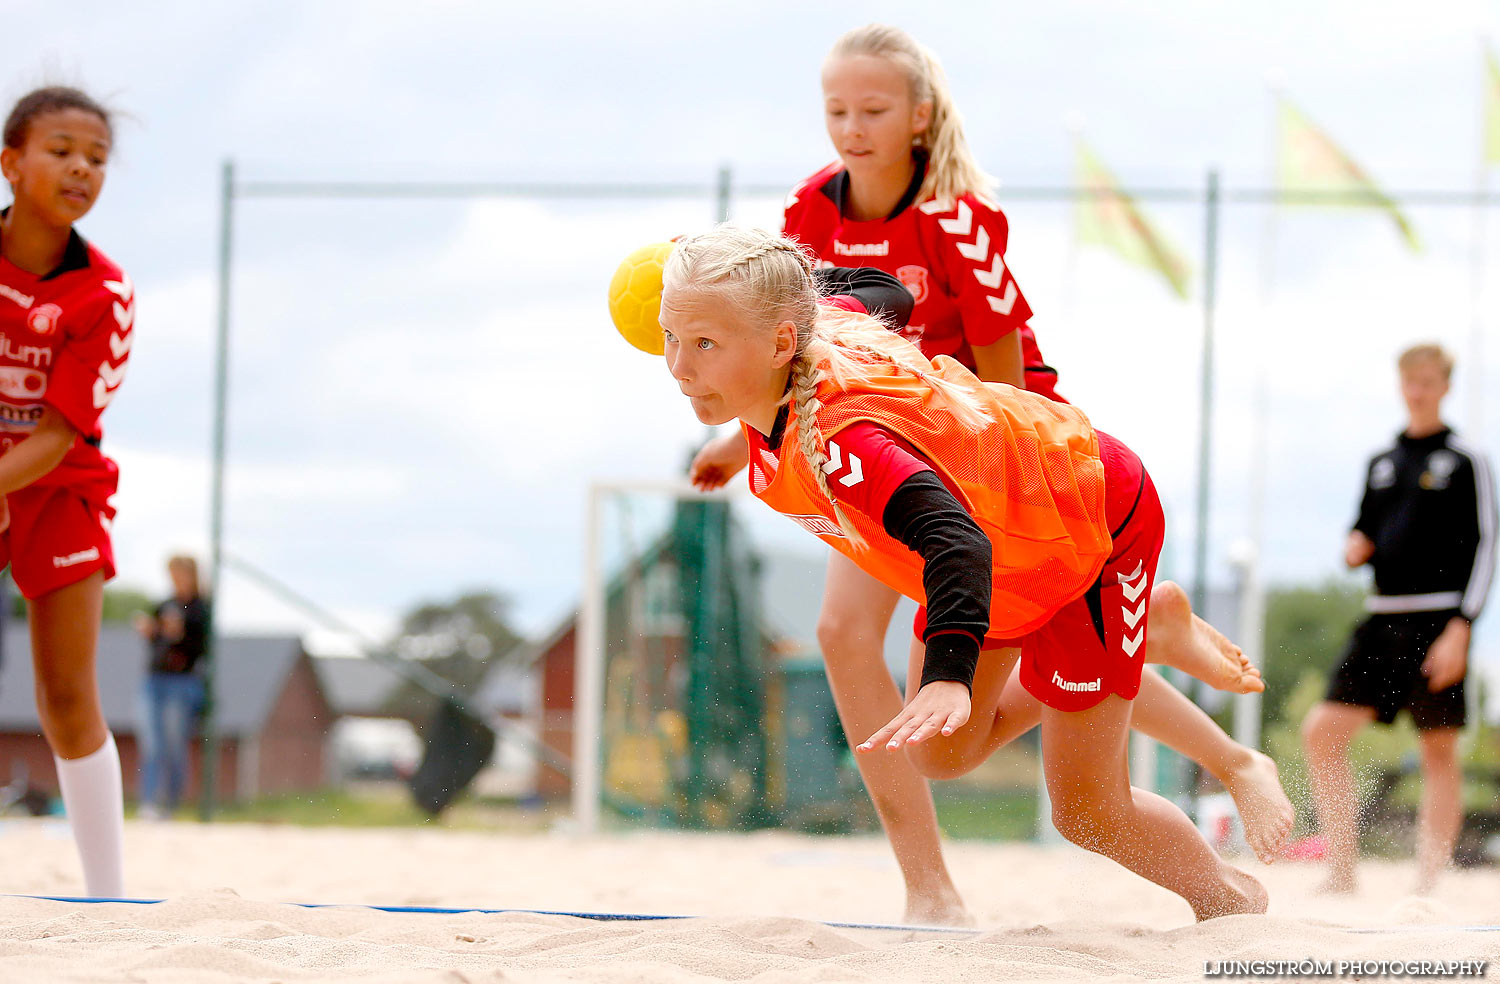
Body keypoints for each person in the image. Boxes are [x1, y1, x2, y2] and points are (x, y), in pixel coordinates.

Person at [687, 24, 1289, 923]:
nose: (851, 126)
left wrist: (986, 461)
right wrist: (751, 429)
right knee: (895, 668)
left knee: (1071, 782)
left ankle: (1188, 779)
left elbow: (994, 384)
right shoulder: (813, 212)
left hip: (1008, 453)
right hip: (902, 447)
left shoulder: (953, 219)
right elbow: (802, 331)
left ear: (920, 116)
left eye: (873, 109)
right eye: (836, 110)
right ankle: (935, 873)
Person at [0, 86, 132, 896]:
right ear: (11, 163)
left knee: (67, 694)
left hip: (58, 486)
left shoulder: (105, 294)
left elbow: (57, 434)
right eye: (61, 151)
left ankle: (108, 905)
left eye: (97, 158)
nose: (81, 167)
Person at [1301, 343, 1495, 895]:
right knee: (1322, 733)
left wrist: (1463, 626)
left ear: (1445, 385)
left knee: (1438, 748)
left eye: (1428, 380)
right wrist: (1353, 548)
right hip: (1380, 619)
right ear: (1401, 384)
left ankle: (1427, 883)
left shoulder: (1466, 459)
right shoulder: (1380, 461)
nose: (1418, 390)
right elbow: (1360, 531)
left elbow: (1487, 548)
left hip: (1440, 621)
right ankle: (1341, 873)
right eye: (1410, 380)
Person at [133, 555, 209, 819]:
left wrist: (181, 634)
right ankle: (149, 803)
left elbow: (201, 648)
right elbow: (156, 642)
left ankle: (171, 806)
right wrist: (152, 631)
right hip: (155, 680)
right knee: (151, 744)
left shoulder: (201, 609)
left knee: (175, 745)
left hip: (183, 682)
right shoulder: (163, 605)